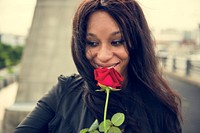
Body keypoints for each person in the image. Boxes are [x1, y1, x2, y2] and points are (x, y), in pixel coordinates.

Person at [14, 0, 182, 133]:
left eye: (116, 42)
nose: (103, 56)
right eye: (92, 43)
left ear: (136, 42)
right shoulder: (64, 91)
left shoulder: (160, 108)